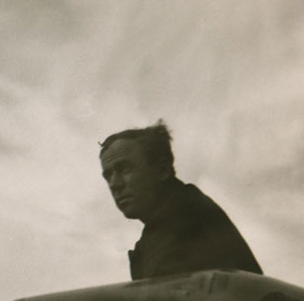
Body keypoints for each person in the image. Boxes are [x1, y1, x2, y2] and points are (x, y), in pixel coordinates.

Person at [99, 120, 262, 280]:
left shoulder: (188, 218)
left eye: (125, 169)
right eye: (108, 176)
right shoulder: (165, 226)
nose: (114, 184)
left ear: (162, 169)